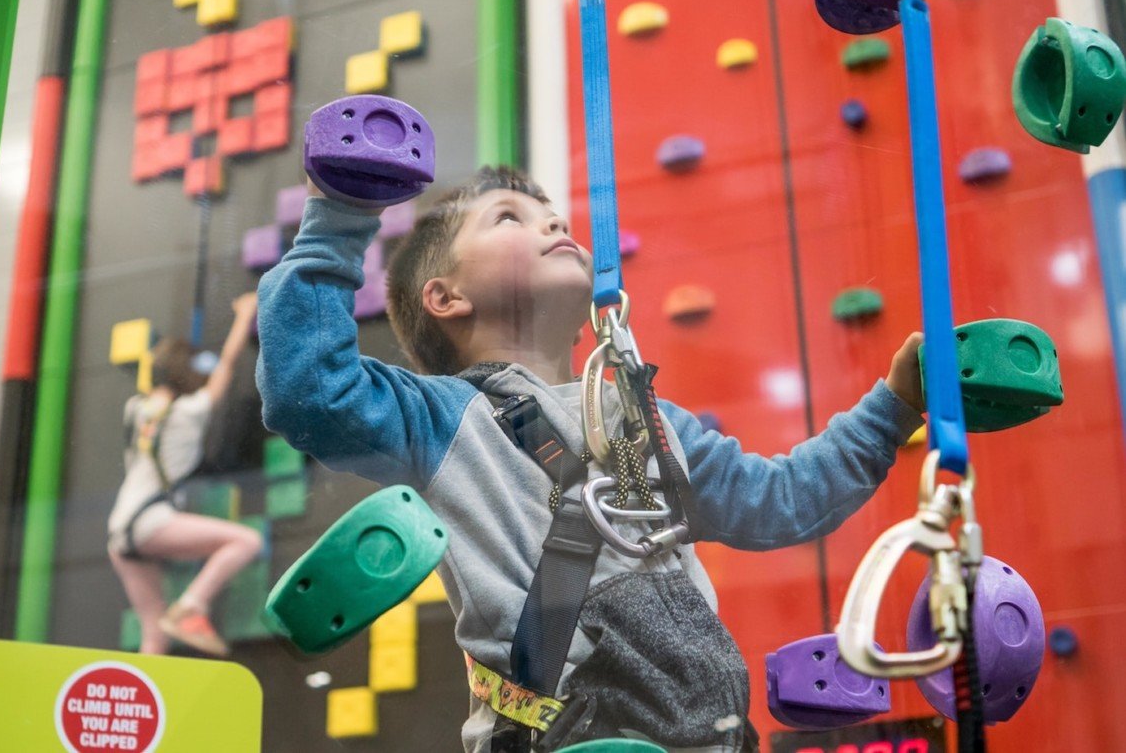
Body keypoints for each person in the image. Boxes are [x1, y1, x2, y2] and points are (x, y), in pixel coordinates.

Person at [255, 166, 926, 751]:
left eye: (554, 216)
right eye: (510, 217)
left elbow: (781, 502)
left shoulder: (648, 422)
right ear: (446, 298)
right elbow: (311, 390)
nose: (553, 223)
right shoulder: (441, 420)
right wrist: (339, 215)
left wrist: (894, 408)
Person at [108, 293, 263, 657]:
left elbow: (156, 398)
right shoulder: (190, 412)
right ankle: (192, 605)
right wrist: (244, 315)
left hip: (119, 529)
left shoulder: (135, 409)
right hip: (151, 519)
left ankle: (142, 690)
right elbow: (226, 365)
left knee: (153, 633)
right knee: (246, 541)